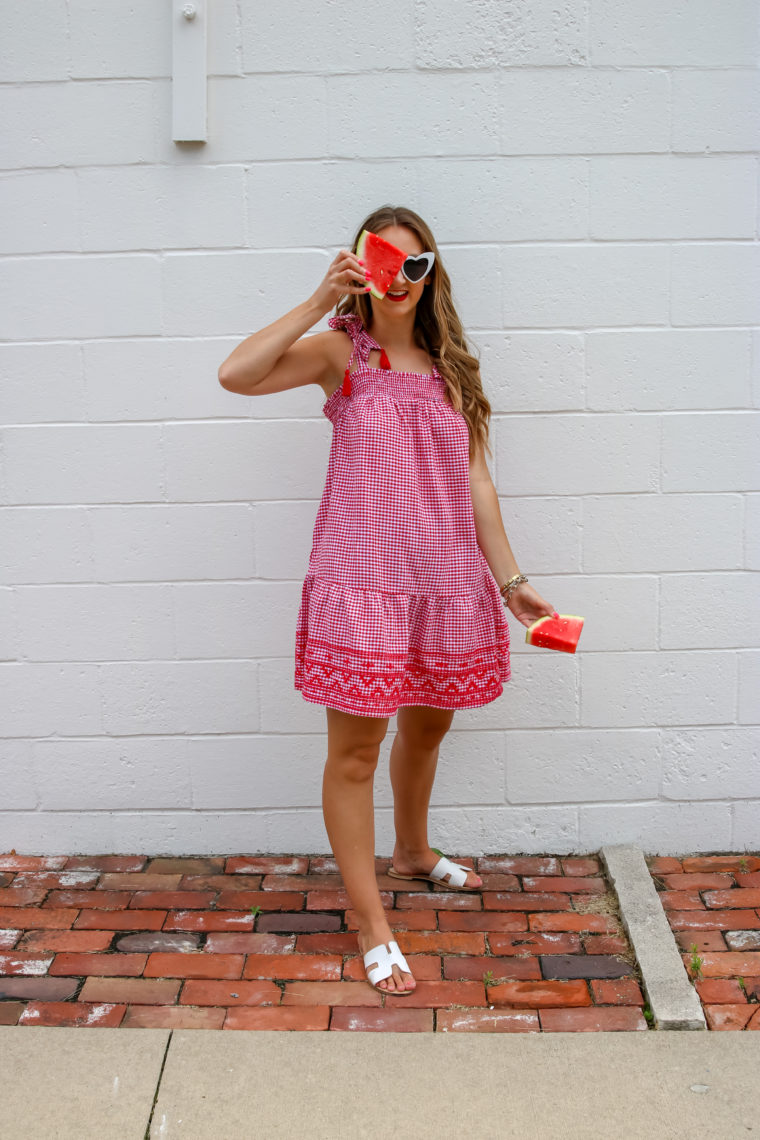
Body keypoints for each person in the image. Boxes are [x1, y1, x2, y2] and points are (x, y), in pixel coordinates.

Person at [219, 205, 557, 996]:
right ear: (360, 265)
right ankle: (373, 924)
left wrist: (512, 583)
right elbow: (237, 375)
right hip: (364, 580)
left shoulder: (453, 370)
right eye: (384, 261)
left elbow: (476, 485)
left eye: (417, 266)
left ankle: (411, 850)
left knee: (428, 728)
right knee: (356, 753)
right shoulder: (343, 354)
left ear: (431, 276)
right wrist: (316, 299)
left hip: (445, 582)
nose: (400, 279)